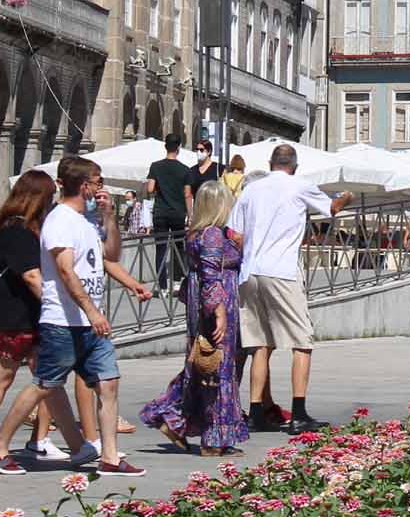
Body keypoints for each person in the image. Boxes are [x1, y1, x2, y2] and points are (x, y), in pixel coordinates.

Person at [0, 157, 153, 472]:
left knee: (109, 382)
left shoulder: (85, 221)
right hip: (63, 322)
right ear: (84, 185)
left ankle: (109, 456)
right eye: (97, 181)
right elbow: (66, 271)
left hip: (89, 323)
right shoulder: (60, 221)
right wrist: (93, 311)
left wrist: (132, 283)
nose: (101, 186)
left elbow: (106, 258)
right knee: (45, 384)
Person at [229, 143, 354, 434]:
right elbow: (332, 209)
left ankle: (257, 412)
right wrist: (346, 197)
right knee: (302, 340)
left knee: (260, 343)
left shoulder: (250, 190)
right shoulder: (300, 186)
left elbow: (234, 233)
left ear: (270, 163)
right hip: (282, 271)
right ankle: (299, 413)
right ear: (294, 166)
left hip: (251, 272)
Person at [139, 180, 249, 456]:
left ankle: (177, 420)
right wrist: (220, 313)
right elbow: (212, 277)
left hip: (201, 305)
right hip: (216, 306)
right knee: (216, 369)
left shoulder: (199, 233)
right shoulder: (212, 234)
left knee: (201, 367)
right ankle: (213, 437)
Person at [0, 169, 52, 473]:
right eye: (48, 197)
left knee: (47, 378)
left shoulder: (22, 229)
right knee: (1, 380)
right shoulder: (17, 232)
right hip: (13, 315)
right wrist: (56, 306)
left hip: (26, 315)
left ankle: (48, 438)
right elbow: (31, 275)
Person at [147, 132, 196, 295]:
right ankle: (176, 282)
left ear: (165, 146)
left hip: (160, 211)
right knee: (178, 247)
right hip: (178, 212)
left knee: (160, 248)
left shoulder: (155, 166)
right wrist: (190, 214)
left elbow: (150, 188)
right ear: (179, 148)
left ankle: (161, 286)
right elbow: (188, 194)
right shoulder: (185, 170)